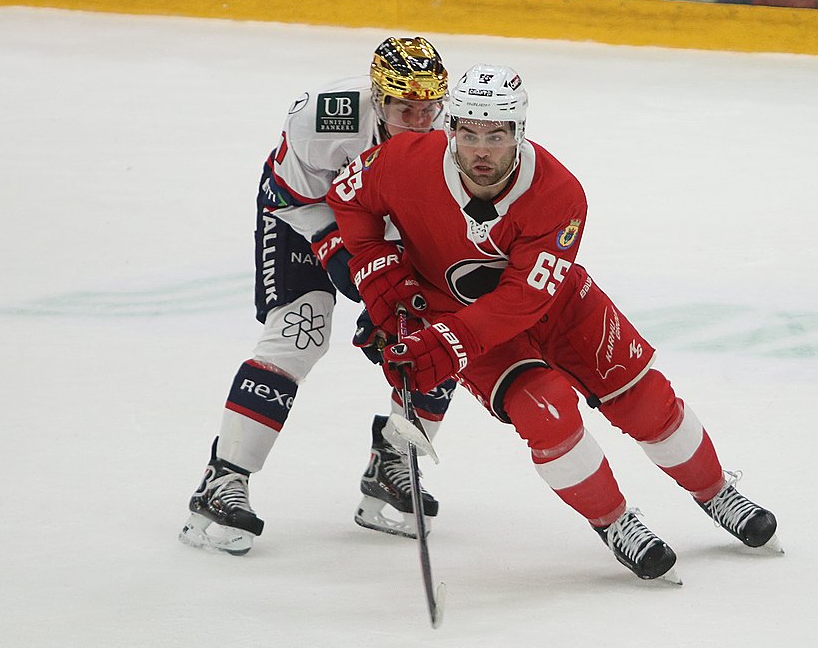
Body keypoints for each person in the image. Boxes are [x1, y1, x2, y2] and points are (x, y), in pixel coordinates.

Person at [326, 63, 779, 582]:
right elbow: (347, 196)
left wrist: (447, 344)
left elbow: (524, 297)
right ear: (449, 129)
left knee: (645, 402)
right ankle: (616, 523)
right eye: (468, 133)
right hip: (462, 317)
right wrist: (377, 269)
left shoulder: (560, 193)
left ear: (520, 132)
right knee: (547, 413)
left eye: (496, 135)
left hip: (557, 306)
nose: (481, 150)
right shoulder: (403, 161)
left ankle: (717, 491)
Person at [179, 37, 457, 556]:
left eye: (428, 110)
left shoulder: (456, 134)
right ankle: (223, 478)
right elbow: (295, 197)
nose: (419, 123)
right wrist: (345, 261)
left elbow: (435, 221)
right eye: (404, 110)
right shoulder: (324, 117)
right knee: (299, 330)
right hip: (301, 212)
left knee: (436, 333)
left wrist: (391, 297)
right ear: (378, 99)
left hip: (387, 224)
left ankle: (394, 460)